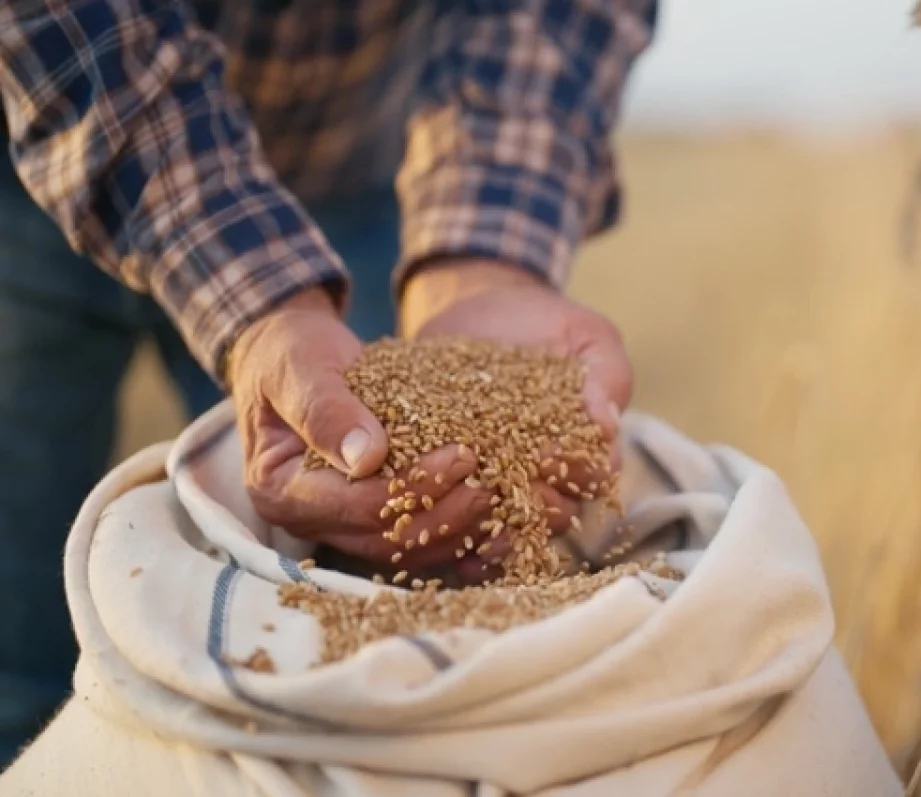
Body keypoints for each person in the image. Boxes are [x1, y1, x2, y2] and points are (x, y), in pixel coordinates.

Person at [0, 0, 655, 768]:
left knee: (352, 584)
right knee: (20, 616)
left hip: (344, 174)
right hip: (37, 151)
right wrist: (259, 301)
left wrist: (479, 264)